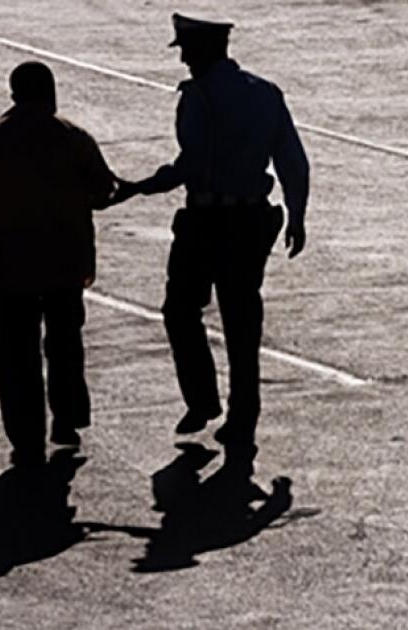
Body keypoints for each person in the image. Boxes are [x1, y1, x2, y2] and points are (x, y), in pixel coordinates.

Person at [104, 14, 310, 471]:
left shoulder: (198, 97)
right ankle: (242, 416)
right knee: (242, 321)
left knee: (180, 309)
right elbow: (292, 159)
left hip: (207, 220)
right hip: (252, 220)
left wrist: (139, 187)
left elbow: (191, 164)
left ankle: (202, 400)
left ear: (200, 51)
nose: (182, 59)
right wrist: (297, 214)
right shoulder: (265, 93)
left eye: (185, 50)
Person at [0, 61, 117, 466]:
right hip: (64, 263)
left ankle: (26, 434)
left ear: (14, 94)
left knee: (14, 353)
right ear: (50, 93)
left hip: (9, 264)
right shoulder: (74, 138)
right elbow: (102, 191)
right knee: (65, 344)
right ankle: (67, 418)